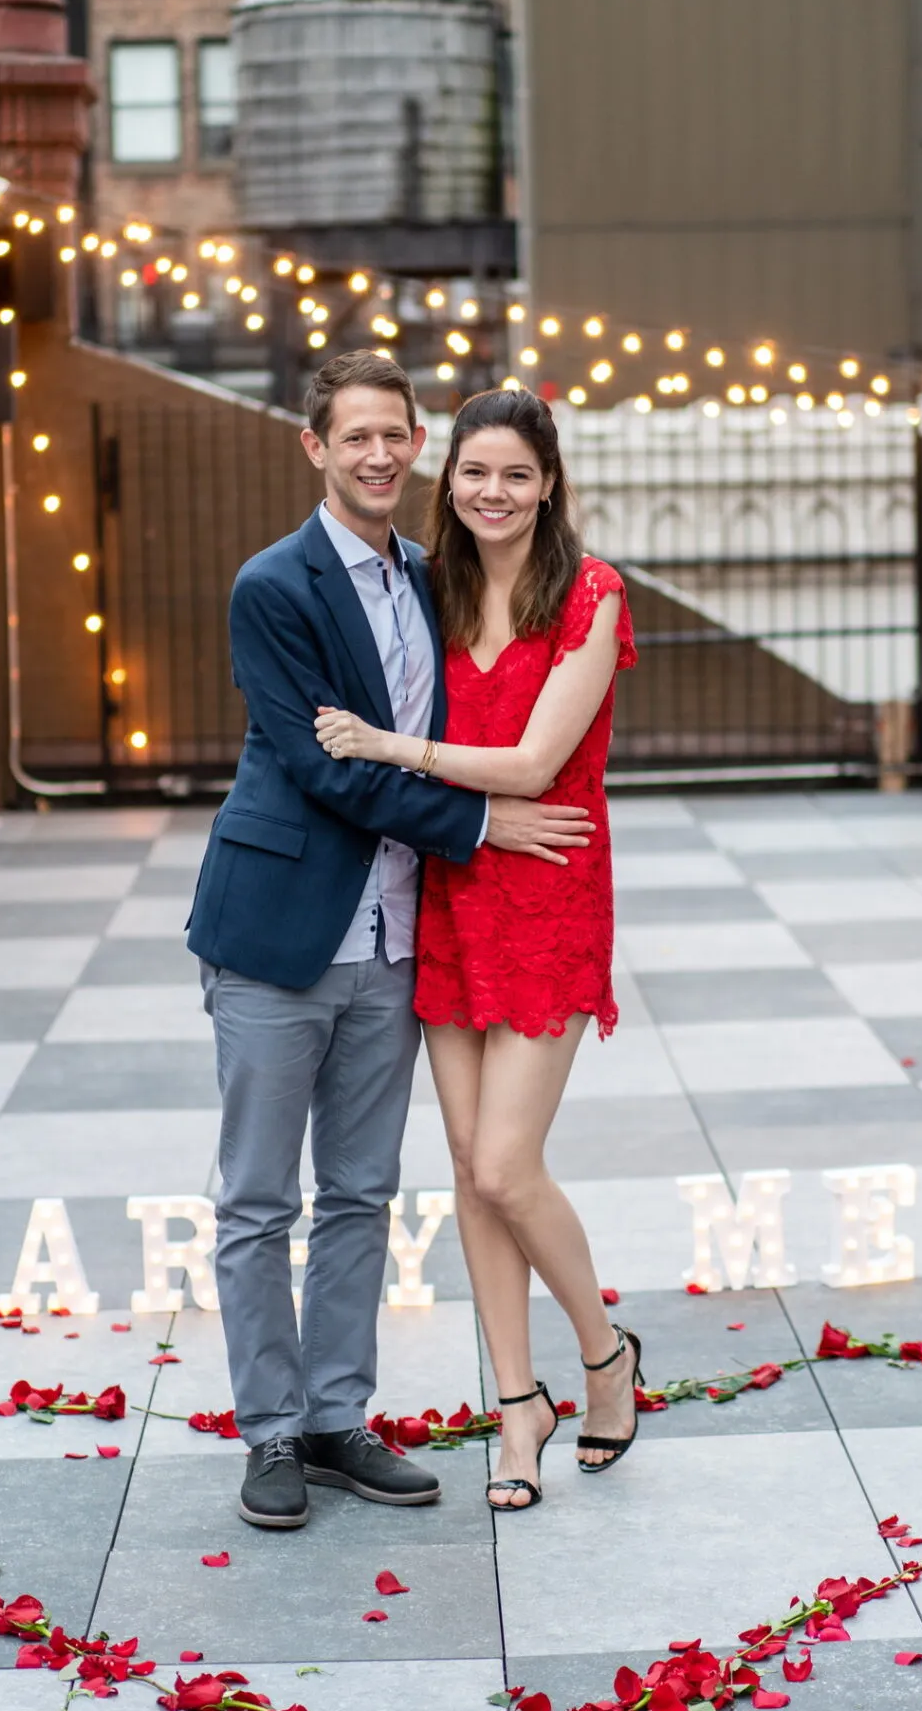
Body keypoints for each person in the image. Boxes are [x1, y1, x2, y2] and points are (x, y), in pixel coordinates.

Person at [187, 350, 597, 1531]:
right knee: (260, 1202)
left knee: (362, 1193)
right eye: (353, 436)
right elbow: (324, 766)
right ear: (314, 448)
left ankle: (335, 1416)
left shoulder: (435, 577)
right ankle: (270, 1433)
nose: (377, 454)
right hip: (279, 932)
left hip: (400, 937)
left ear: (412, 442)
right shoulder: (273, 585)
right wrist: (481, 817)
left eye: (393, 434)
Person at [313, 387, 642, 1512]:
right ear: (444, 481)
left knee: (508, 1163)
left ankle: (604, 1356)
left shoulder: (591, 597)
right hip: (449, 888)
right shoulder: (430, 587)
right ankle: (516, 1406)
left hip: (546, 891)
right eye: (472, 472)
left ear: (548, 483)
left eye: (515, 473)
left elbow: (539, 763)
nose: (491, 492)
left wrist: (389, 746)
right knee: (465, 1167)